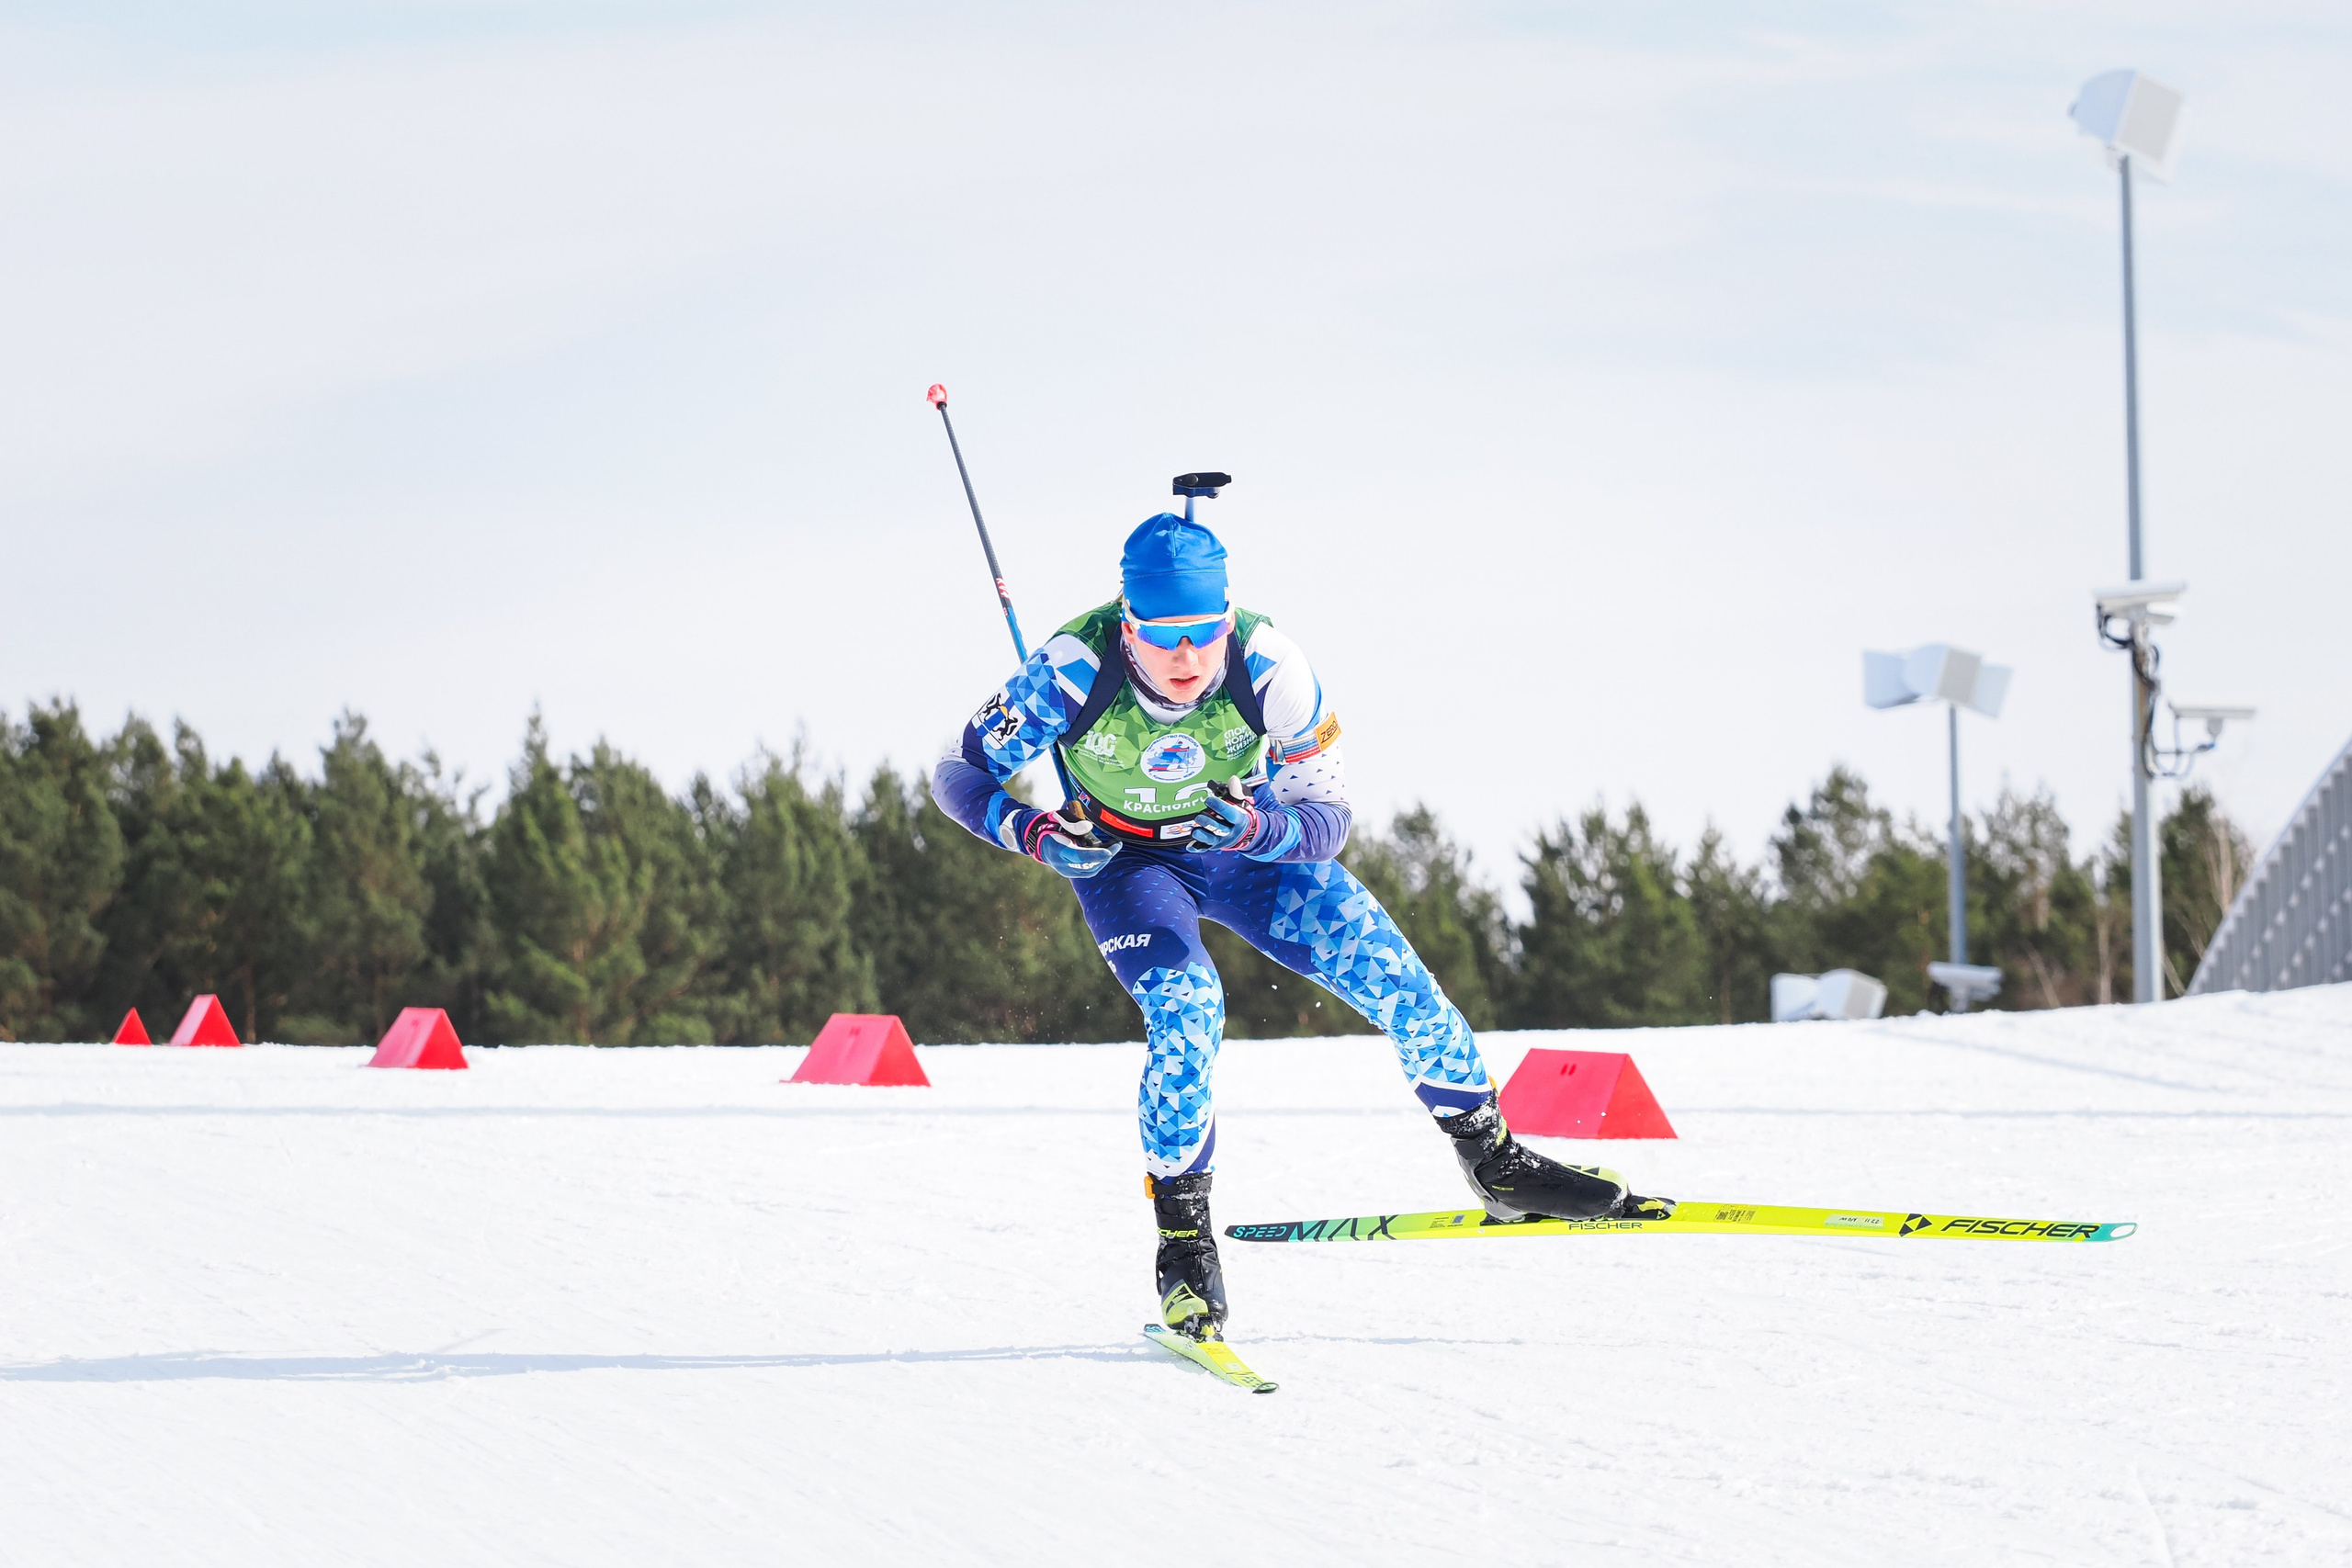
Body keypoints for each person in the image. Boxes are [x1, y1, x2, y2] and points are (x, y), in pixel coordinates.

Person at [933, 511, 1672, 1343]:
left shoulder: (1271, 663)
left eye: (1204, 632)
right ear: (1127, 622)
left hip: (1250, 849)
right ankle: (1183, 1245)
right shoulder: (1069, 668)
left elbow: (1329, 815)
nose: (1186, 658)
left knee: (1400, 982)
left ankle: (1495, 1162)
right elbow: (956, 770)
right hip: (1128, 864)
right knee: (1188, 1013)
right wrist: (1028, 829)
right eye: (1164, 636)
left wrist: (1260, 832)